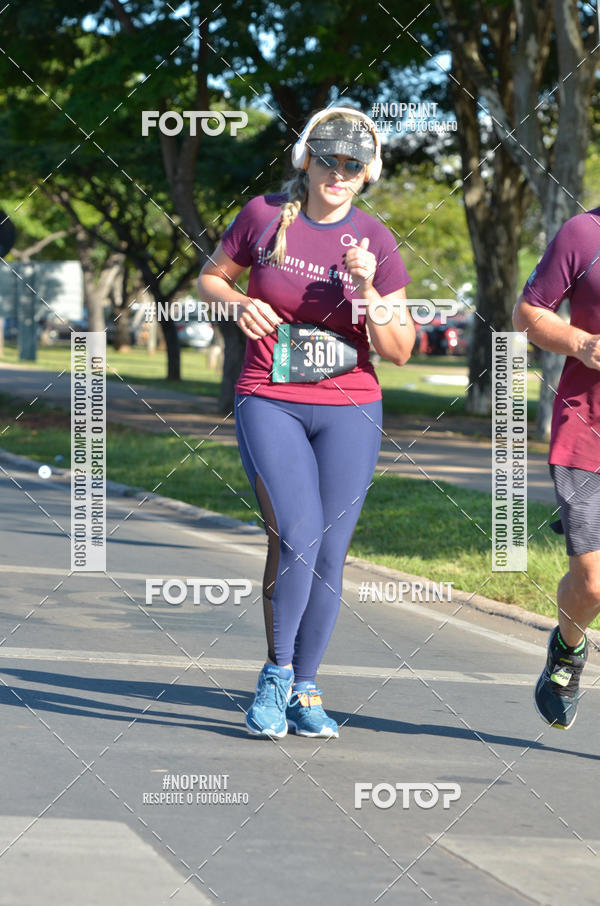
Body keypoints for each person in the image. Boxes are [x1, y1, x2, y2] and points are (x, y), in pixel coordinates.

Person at [198, 106, 414, 738]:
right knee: (297, 534)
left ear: (368, 173)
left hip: (352, 407)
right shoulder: (263, 215)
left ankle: (307, 688)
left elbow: (399, 350)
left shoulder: (376, 241)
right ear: (306, 160)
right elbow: (212, 277)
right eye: (328, 160)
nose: (338, 174)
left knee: (331, 552)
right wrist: (239, 303)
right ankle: (277, 673)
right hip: (269, 396)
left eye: (352, 165)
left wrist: (370, 293)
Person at [513, 204, 600, 729]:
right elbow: (530, 314)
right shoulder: (582, 232)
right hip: (586, 432)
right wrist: (582, 343)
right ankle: (568, 649)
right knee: (592, 585)